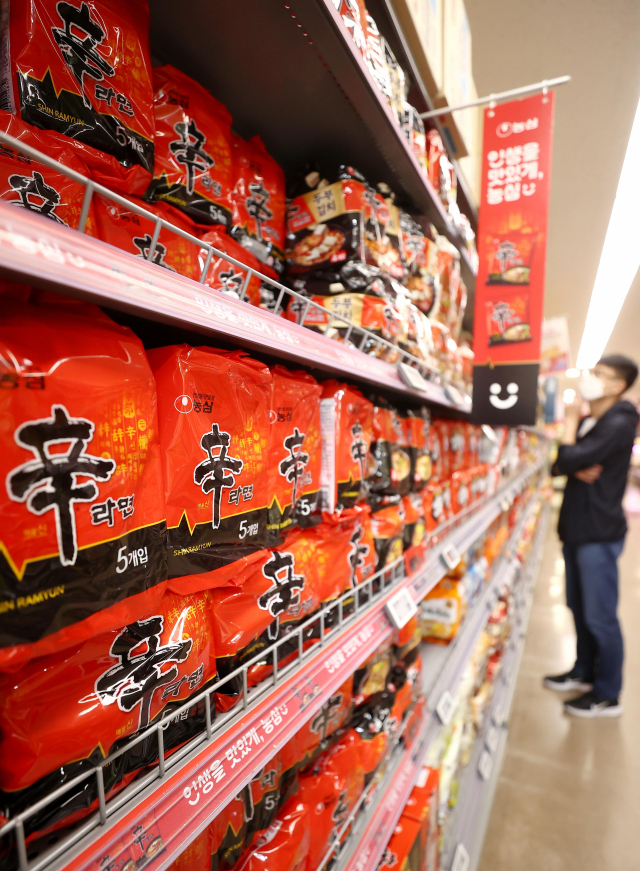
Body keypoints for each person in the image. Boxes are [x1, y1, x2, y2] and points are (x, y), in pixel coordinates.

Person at [543, 354, 638, 717]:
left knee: (600, 616)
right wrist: (572, 460)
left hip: (598, 532)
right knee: (578, 607)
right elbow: (558, 464)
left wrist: (569, 431)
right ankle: (583, 671)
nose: (591, 377)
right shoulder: (590, 421)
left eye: (600, 373)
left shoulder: (620, 421)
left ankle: (608, 693)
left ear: (617, 385)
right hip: (576, 528)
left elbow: (567, 459)